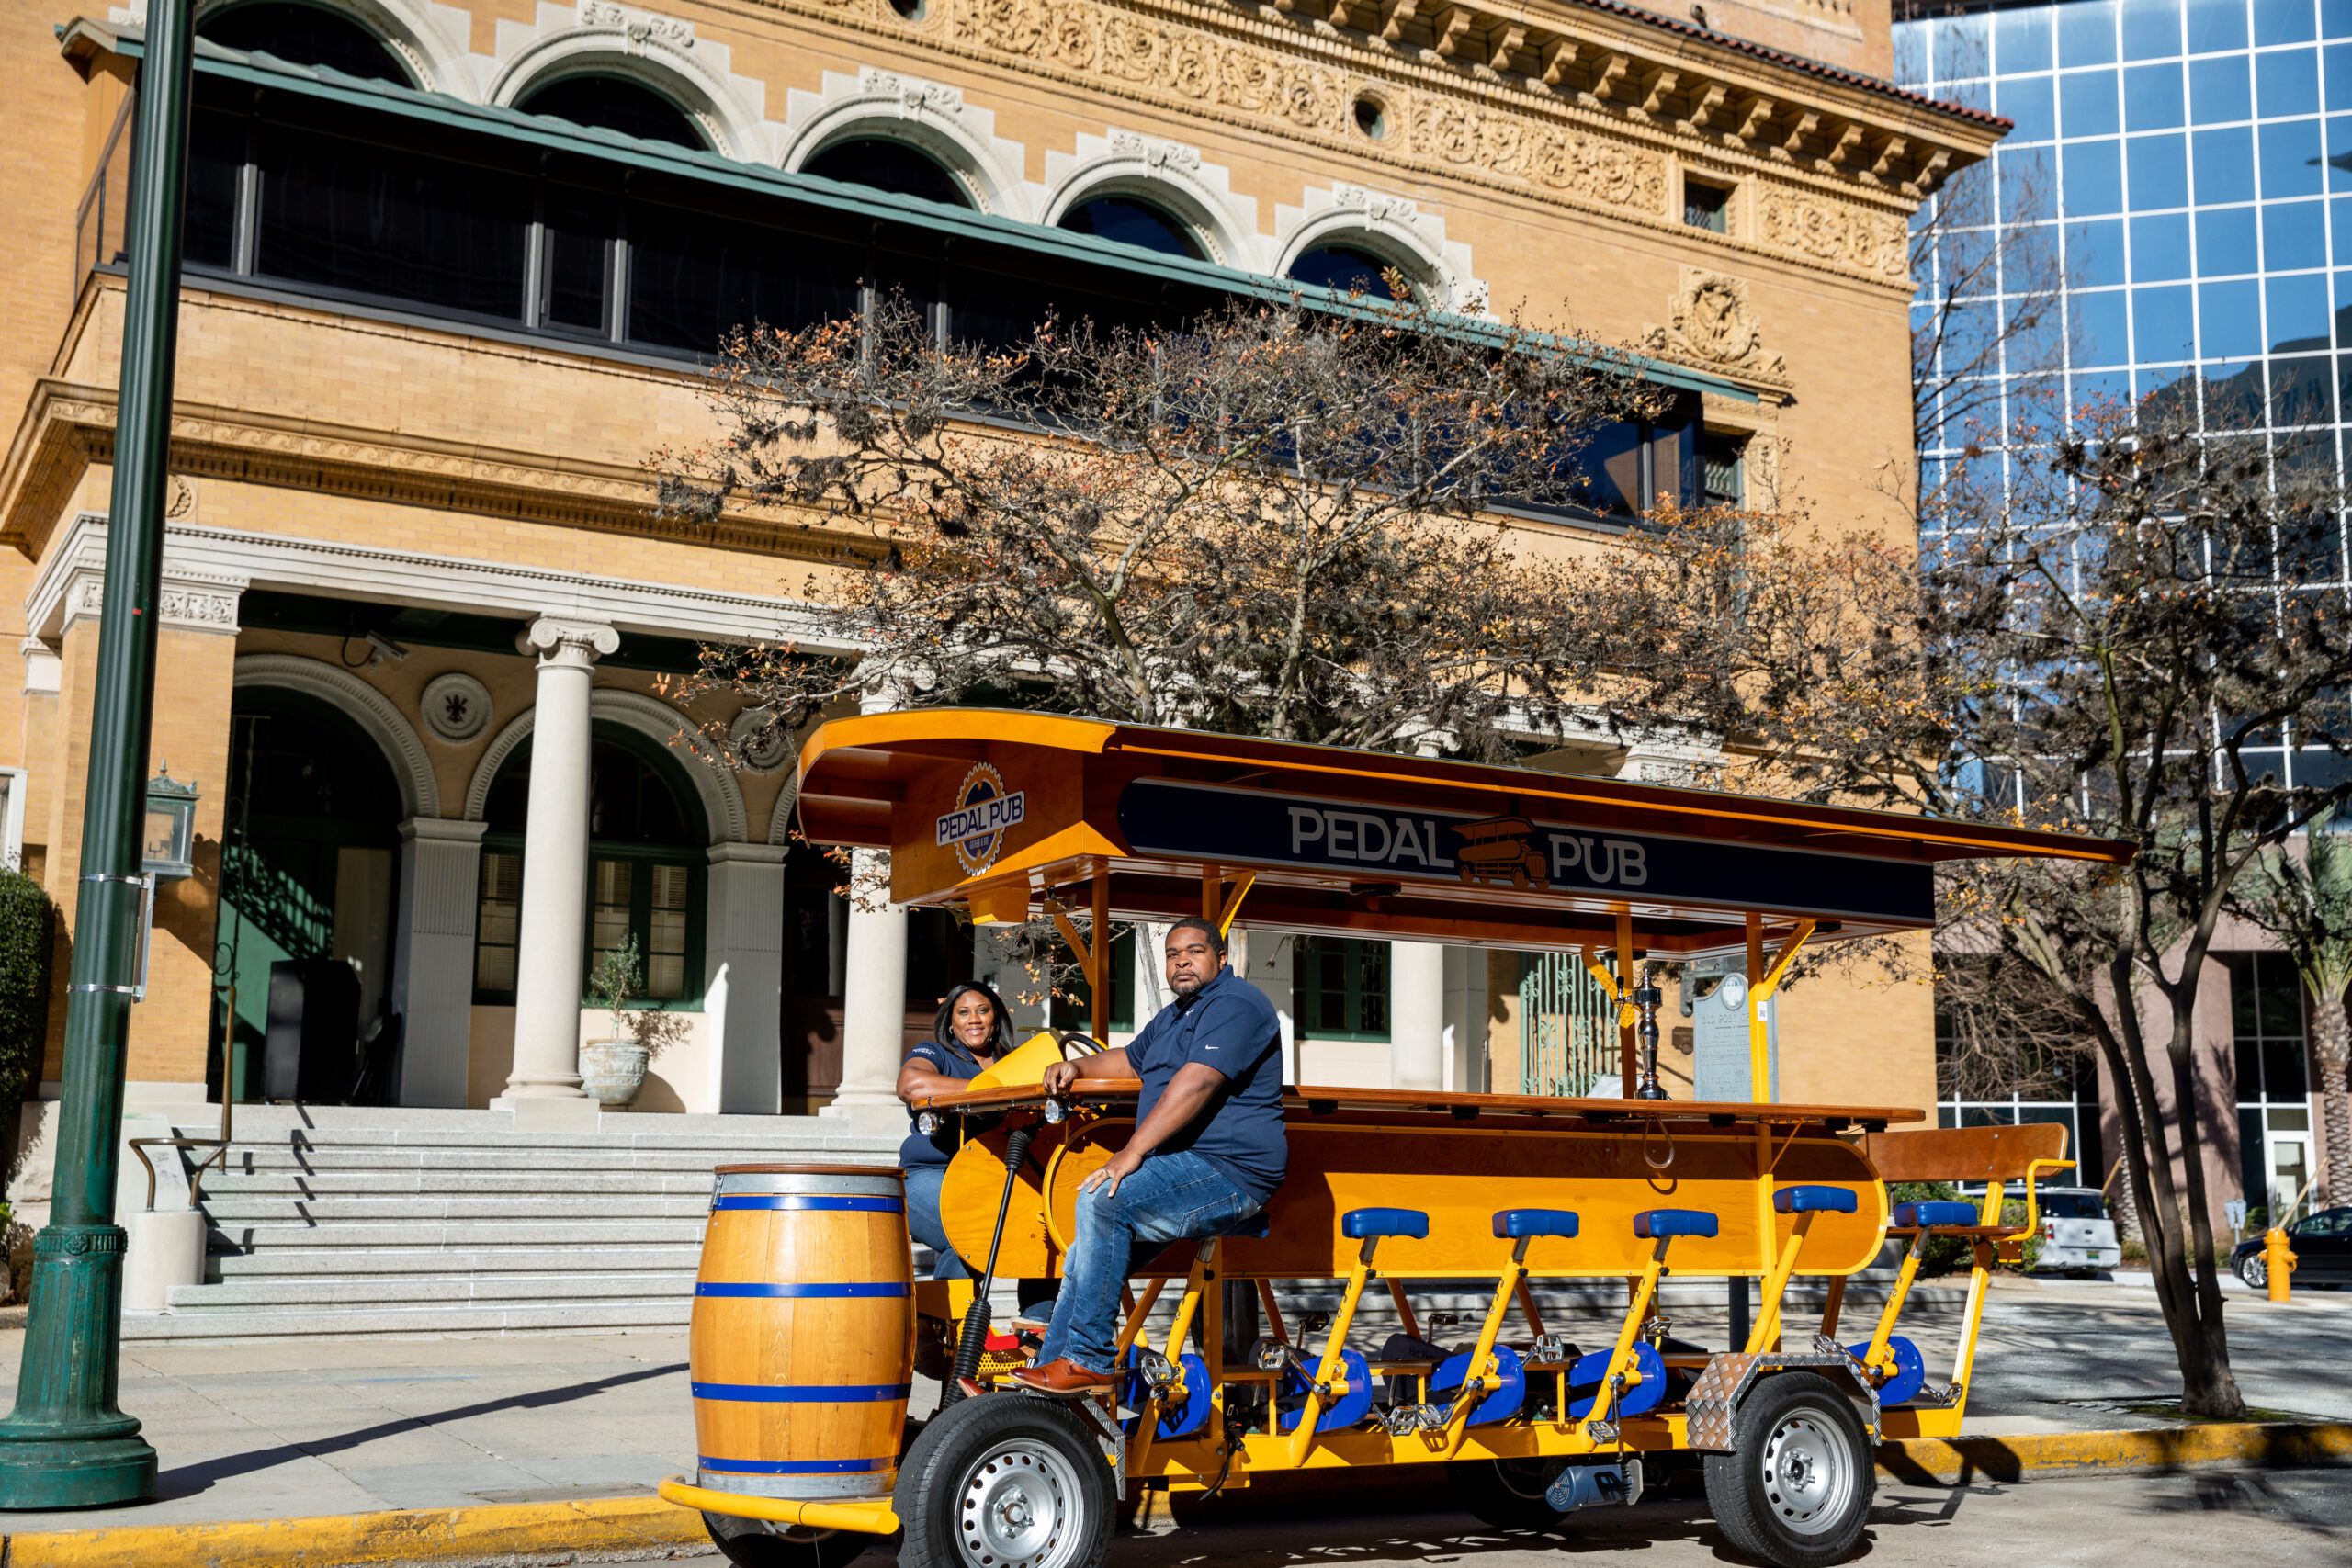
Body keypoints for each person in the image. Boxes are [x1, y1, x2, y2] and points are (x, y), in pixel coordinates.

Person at [1011, 917, 1287, 1393]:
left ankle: (1090, 1360)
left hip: (1230, 1171)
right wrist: (1075, 1064)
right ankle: (1051, 1380)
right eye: (1173, 954)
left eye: (1195, 951)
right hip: (1186, 1166)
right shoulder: (1175, 1015)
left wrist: (1132, 1151)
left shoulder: (1236, 1004)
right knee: (1081, 1254)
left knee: (1103, 1200)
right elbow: (1128, 1060)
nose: (1181, 960)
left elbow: (1197, 1081)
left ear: (1223, 960)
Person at [897, 979, 1017, 1279]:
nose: (974, 1019)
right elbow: (910, 1084)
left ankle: (1036, 1321)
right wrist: (991, 1092)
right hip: (931, 1174)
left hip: (994, 1179)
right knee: (973, 1236)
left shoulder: (1015, 1063)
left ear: (996, 1017)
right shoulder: (935, 1053)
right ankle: (954, 1324)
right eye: (963, 1012)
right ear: (951, 1023)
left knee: (1040, 1227)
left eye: (982, 1010)